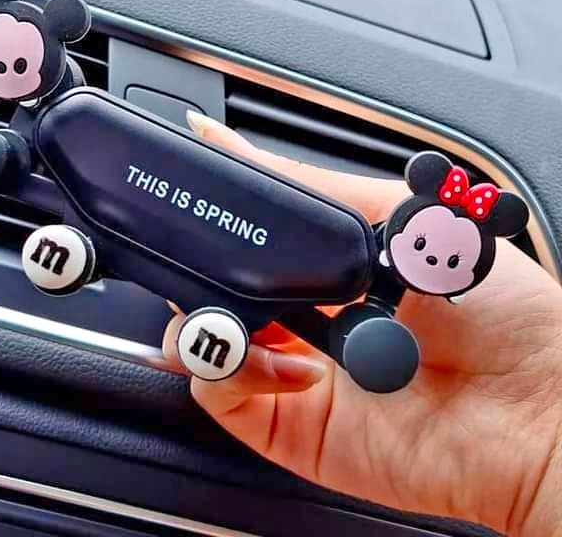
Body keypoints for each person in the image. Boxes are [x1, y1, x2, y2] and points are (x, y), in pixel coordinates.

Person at [164, 113, 562, 537]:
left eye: (450, 263)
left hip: (364, 318)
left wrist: (538, 466)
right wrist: (538, 455)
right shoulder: (358, 237)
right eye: (422, 244)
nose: (431, 259)